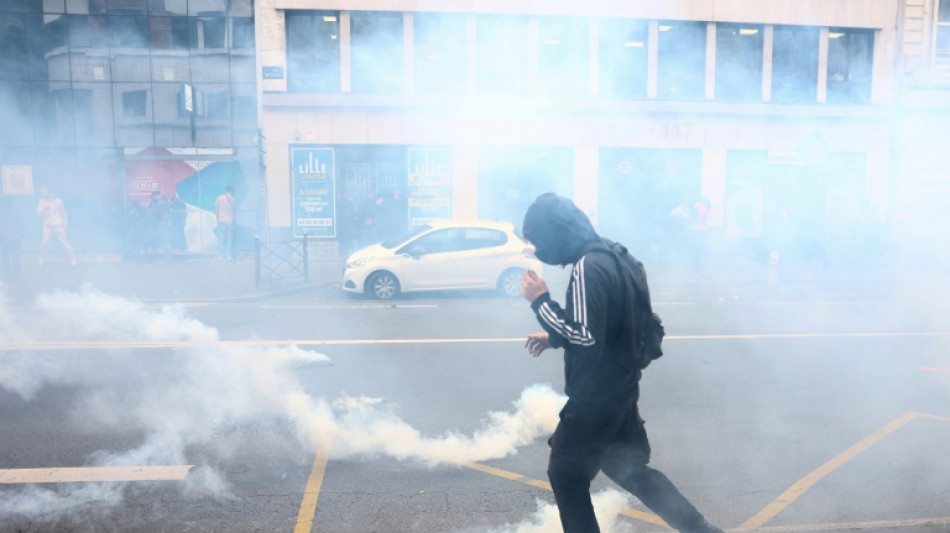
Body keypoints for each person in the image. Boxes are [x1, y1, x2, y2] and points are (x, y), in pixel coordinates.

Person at [519, 193, 723, 533]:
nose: (538, 251)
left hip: (594, 399)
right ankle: (700, 529)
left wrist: (540, 302)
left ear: (555, 235)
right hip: (622, 388)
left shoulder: (587, 267)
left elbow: (586, 337)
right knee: (628, 468)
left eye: (539, 242)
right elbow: (613, 321)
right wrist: (554, 338)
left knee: (566, 477)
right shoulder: (617, 253)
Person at [36, 186, 77, 266]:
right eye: (41, 192)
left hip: (58, 225)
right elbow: (38, 213)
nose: (43, 194)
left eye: (44, 192)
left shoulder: (58, 201)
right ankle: (41, 259)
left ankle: (73, 258)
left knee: (65, 242)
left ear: (48, 191)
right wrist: (44, 209)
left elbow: (63, 213)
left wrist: (65, 224)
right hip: (47, 226)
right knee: (44, 243)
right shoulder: (41, 202)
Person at [0, 197, 23, 278]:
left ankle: (6, 272)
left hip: (4, 238)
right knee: (15, 256)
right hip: (15, 237)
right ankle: (17, 272)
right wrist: (19, 236)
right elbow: (20, 226)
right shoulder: (16, 213)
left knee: (5, 256)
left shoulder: (1, 214)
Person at [214, 185, 236, 261]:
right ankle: (229, 255)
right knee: (229, 240)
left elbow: (216, 208)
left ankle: (220, 255)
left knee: (221, 239)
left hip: (222, 220)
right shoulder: (233, 199)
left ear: (226, 190)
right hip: (230, 221)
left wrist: (217, 217)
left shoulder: (220, 198)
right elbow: (234, 211)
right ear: (232, 191)